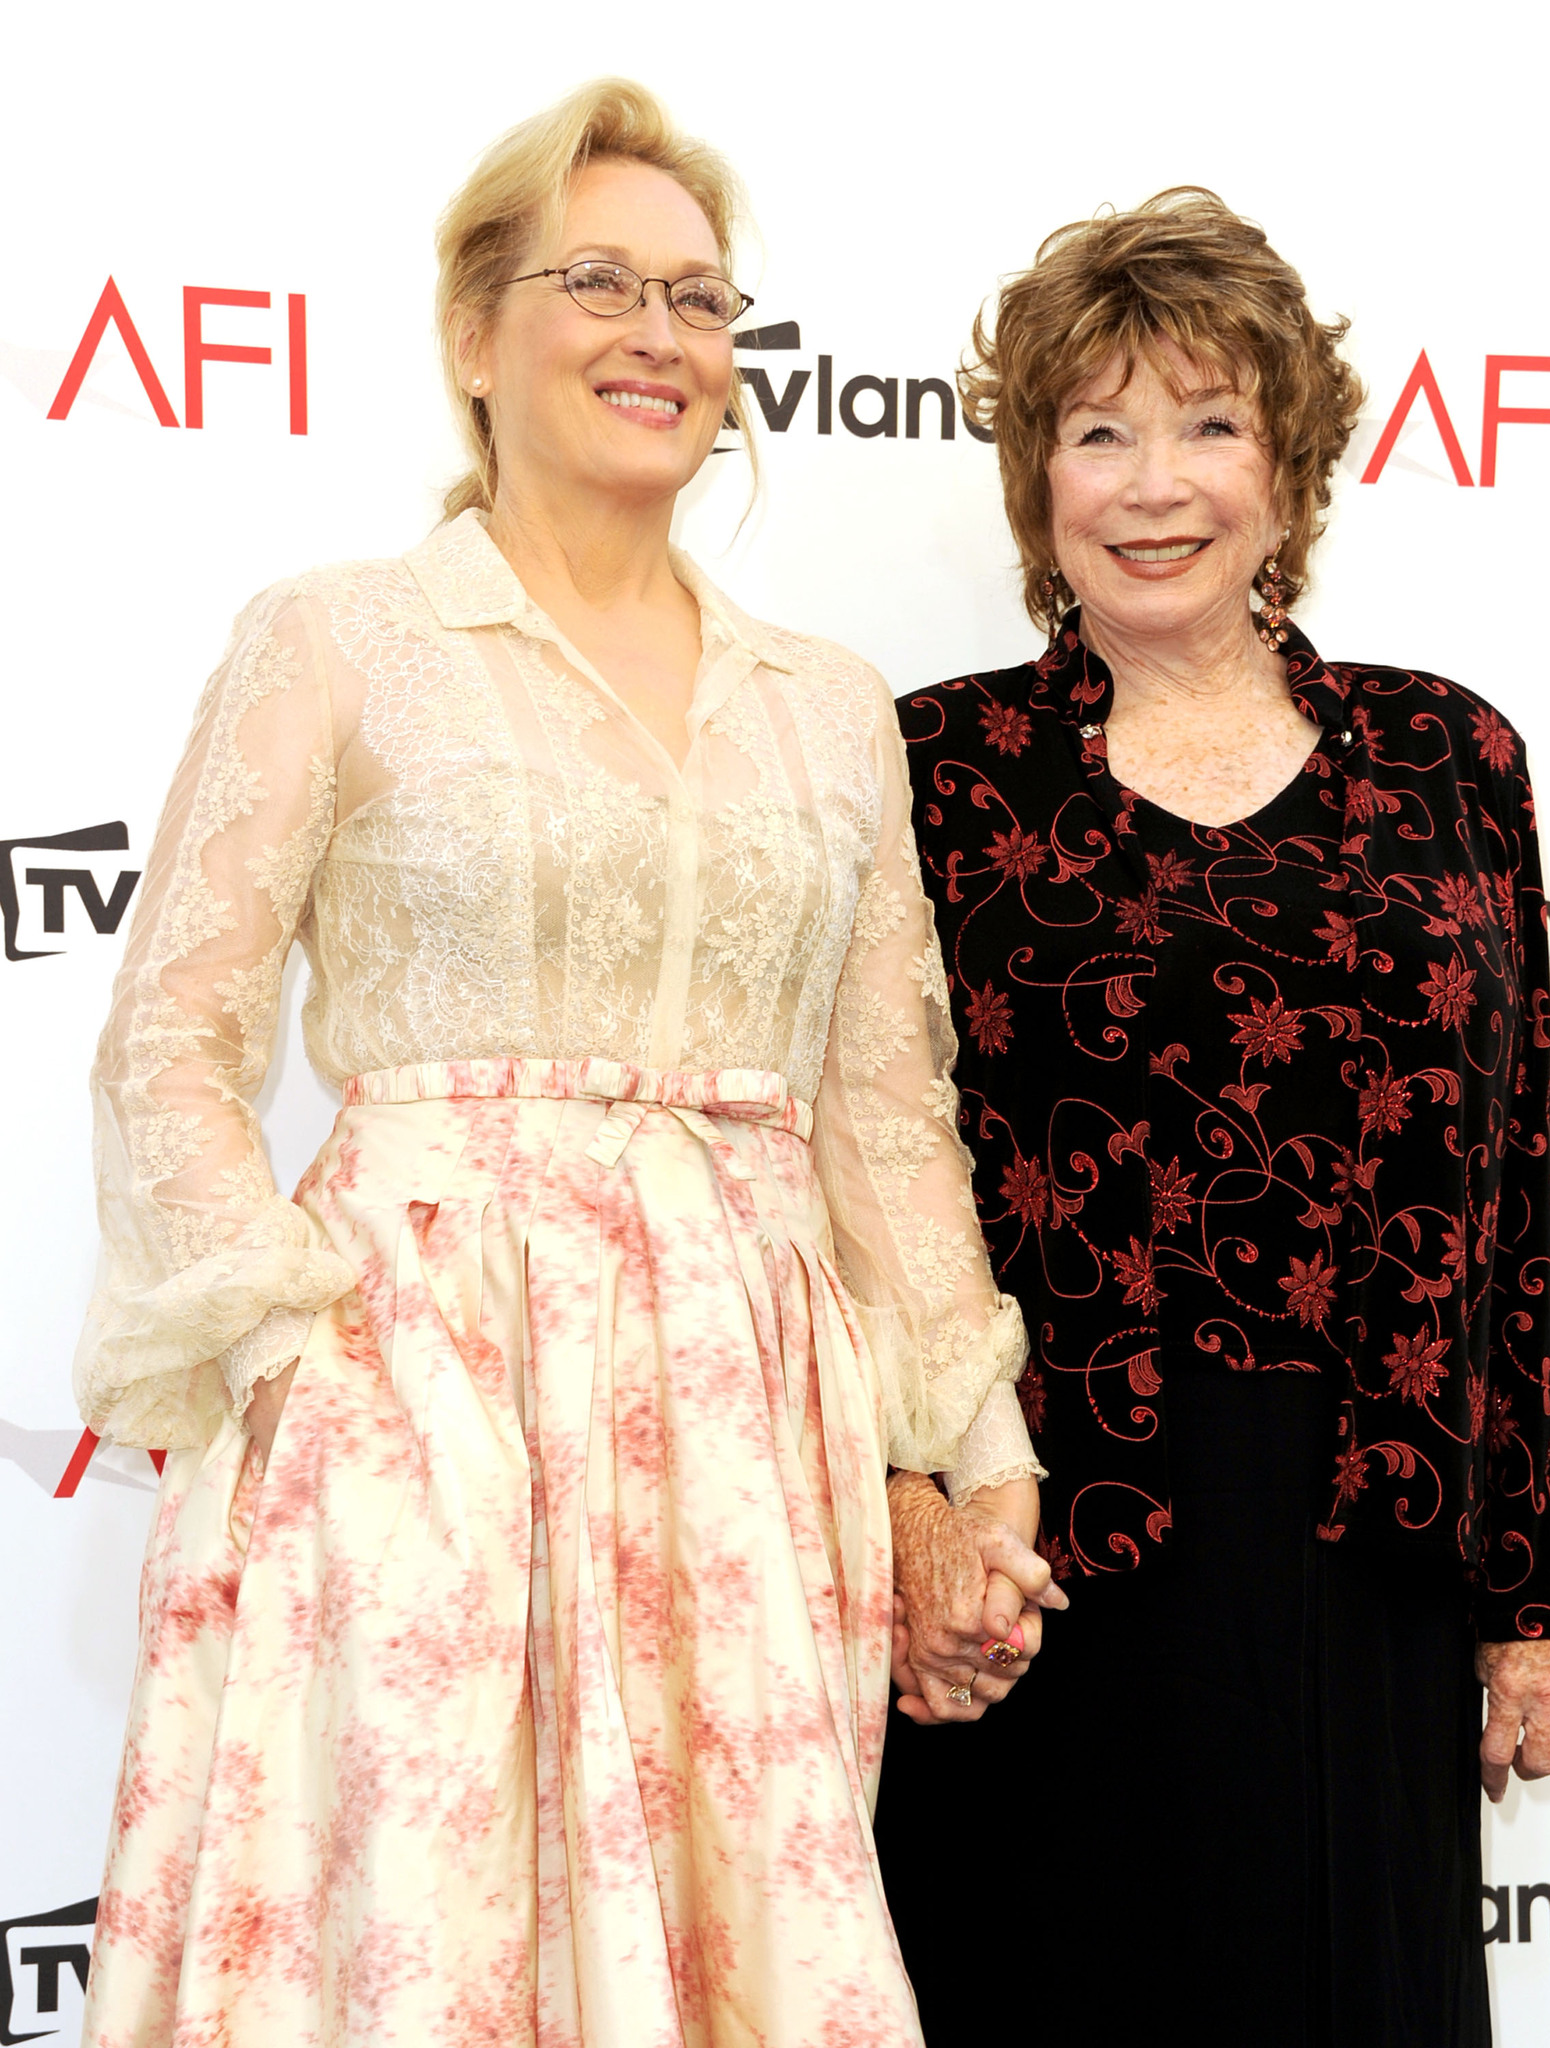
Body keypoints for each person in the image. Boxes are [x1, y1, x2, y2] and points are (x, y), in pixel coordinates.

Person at [72, 78, 1047, 2047]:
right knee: (420, 1969)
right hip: (417, 1394)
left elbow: (880, 1110)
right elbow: (169, 1029)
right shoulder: (337, 638)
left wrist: (970, 1445)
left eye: (700, 299)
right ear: (472, 334)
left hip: (737, 1438)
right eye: (598, 281)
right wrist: (298, 1361)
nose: (661, 335)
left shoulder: (829, 708)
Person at [876, 188, 1550, 2047]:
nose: (1153, 483)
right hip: (1043, 1544)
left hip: (1372, 1544)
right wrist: (902, 1505)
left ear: (1288, 467)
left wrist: (1545, 1594)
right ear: (1033, 477)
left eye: (1209, 423)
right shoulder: (931, 768)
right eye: (1095, 426)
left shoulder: (1453, 754)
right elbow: (851, 1181)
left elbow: (1515, 1190)